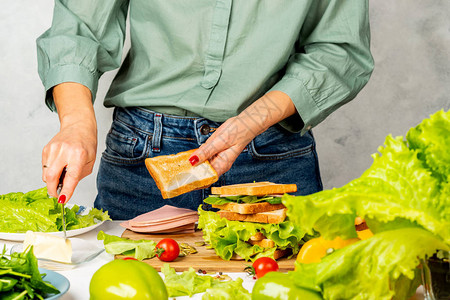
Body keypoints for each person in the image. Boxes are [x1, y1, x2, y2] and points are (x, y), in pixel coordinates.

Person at [38, 0, 373, 220]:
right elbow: (78, 28)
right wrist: (78, 124)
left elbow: (339, 50)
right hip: (144, 156)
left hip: (272, 153)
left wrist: (250, 123)